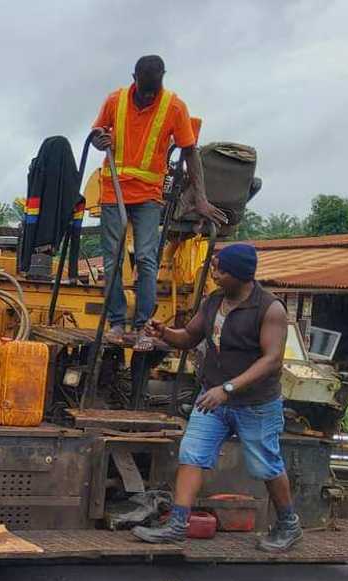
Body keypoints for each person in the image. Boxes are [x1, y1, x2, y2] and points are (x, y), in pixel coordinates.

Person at [132, 243, 302, 552]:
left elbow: (272, 360)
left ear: (239, 275)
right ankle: (177, 525)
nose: (214, 274)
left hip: (255, 404)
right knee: (192, 453)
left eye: (220, 270)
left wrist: (228, 389)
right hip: (213, 398)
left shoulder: (270, 308)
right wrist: (164, 332)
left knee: (266, 464)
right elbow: (188, 337)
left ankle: (288, 524)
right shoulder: (214, 302)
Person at [90, 55, 228, 350]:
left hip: (149, 196)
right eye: (145, 89)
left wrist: (200, 199)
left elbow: (191, 152)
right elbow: (97, 132)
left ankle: (143, 327)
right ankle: (116, 322)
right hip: (114, 190)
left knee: (146, 258)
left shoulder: (174, 107)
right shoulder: (115, 101)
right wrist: (98, 139)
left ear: (163, 78)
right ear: (134, 78)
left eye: (156, 88)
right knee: (113, 258)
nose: (151, 95)